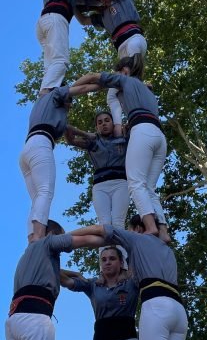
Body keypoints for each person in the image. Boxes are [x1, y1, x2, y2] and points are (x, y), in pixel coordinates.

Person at [70, 63, 167, 240]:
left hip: (142, 130)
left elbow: (93, 77)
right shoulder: (147, 91)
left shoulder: (124, 80)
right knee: (149, 188)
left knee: (136, 183)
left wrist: (65, 93)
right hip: (159, 135)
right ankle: (163, 231)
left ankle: (151, 227)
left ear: (124, 71)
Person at [18, 84, 79, 242]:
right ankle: (38, 235)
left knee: (37, 198)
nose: (70, 104)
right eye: (69, 100)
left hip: (27, 148)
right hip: (42, 144)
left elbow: (69, 133)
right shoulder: (54, 99)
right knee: (45, 191)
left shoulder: (44, 106)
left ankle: (31, 238)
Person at [64, 111, 129, 229]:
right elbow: (70, 139)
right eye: (100, 122)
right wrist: (86, 134)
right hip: (100, 185)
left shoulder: (123, 138)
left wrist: (125, 127)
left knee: (118, 222)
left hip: (120, 183)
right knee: (104, 223)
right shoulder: (93, 142)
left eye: (107, 120)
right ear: (97, 127)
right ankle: (105, 243)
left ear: (113, 123)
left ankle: (120, 242)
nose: (104, 124)